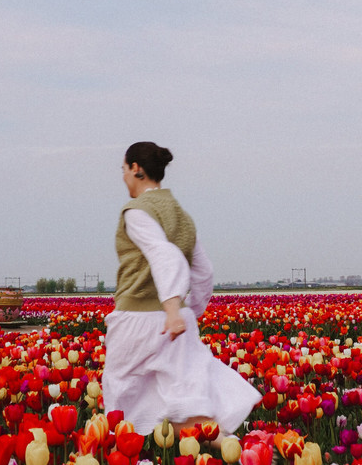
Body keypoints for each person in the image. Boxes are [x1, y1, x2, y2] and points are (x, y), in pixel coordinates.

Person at [102, 142, 261, 438]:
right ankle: (232, 448)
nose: (123, 176)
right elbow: (203, 271)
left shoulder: (136, 212)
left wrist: (173, 310)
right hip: (176, 323)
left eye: (124, 169)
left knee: (121, 397)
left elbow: (165, 256)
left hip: (138, 322)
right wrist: (191, 313)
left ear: (136, 169)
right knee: (179, 400)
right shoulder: (182, 217)